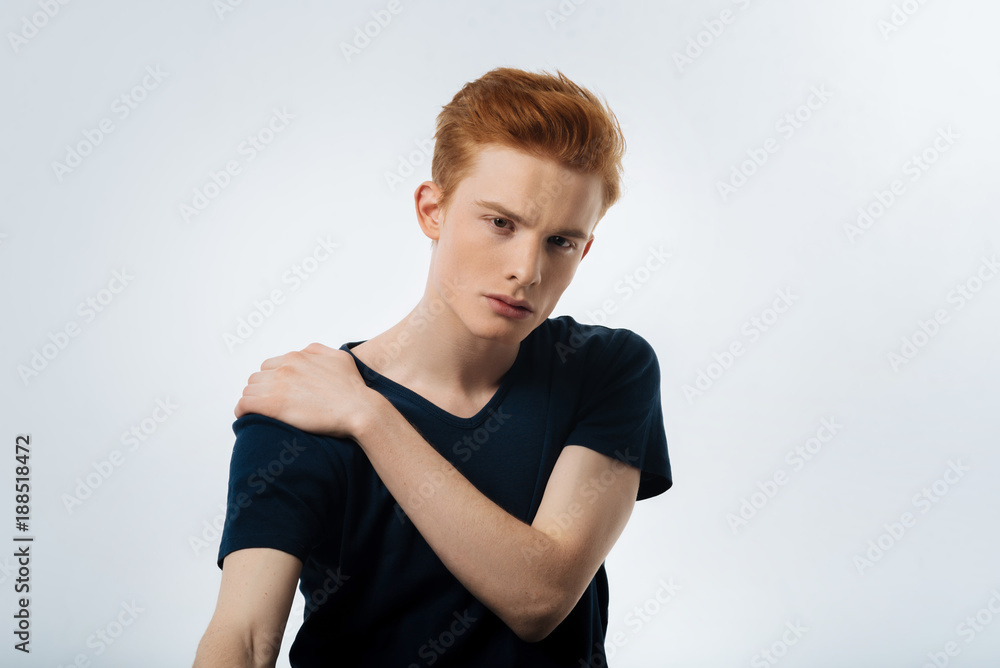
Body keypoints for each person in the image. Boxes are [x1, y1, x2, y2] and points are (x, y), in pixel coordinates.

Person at [193, 66, 672, 668]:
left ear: (586, 248)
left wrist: (369, 416)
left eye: (561, 242)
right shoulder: (304, 409)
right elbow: (243, 639)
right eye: (501, 223)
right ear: (432, 210)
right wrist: (351, 406)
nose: (527, 269)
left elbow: (540, 596)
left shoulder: (606, 369)